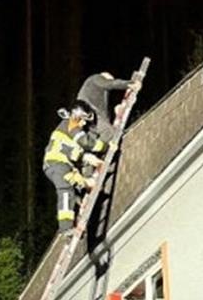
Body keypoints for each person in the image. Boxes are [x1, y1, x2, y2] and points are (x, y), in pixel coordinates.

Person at [42, 101, 109, 234]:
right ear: (78, 116)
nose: (84, 124)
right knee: (66, 191)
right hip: (58, 164)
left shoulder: (65, 128)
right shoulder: (72, 125)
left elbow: (74, 152)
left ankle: (79, 206)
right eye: (83, 120)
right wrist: (106, 146)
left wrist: (90, 160)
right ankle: (66, 227)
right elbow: (87, 143)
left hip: (59, 165)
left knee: (75, 186)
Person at [76, 70, 142, 142]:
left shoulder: (94, 91)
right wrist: (130, 84)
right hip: (89, 114)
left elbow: (104, 112)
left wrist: (115, 117)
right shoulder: (96, 78)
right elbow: (111, 84)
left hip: (88, 119)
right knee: (111, 135)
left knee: (95, 140)